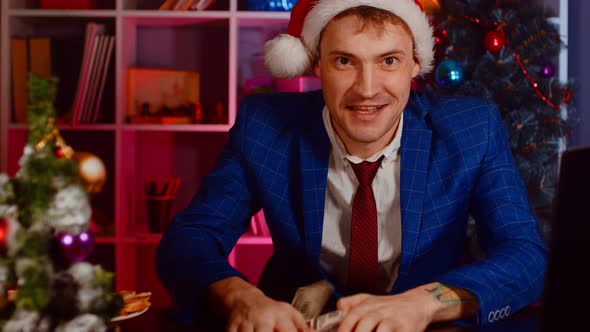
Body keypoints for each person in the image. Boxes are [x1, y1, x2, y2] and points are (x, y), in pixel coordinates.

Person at [156, 0, 547, 331]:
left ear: (415, 64)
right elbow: (189, 239)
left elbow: (526, 256)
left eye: (389, 60)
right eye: (345, 61)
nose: (367, 88)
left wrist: (426, 303)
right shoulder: (264, 127)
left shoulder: (472, 129)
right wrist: (239, 298)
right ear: (315, 65)